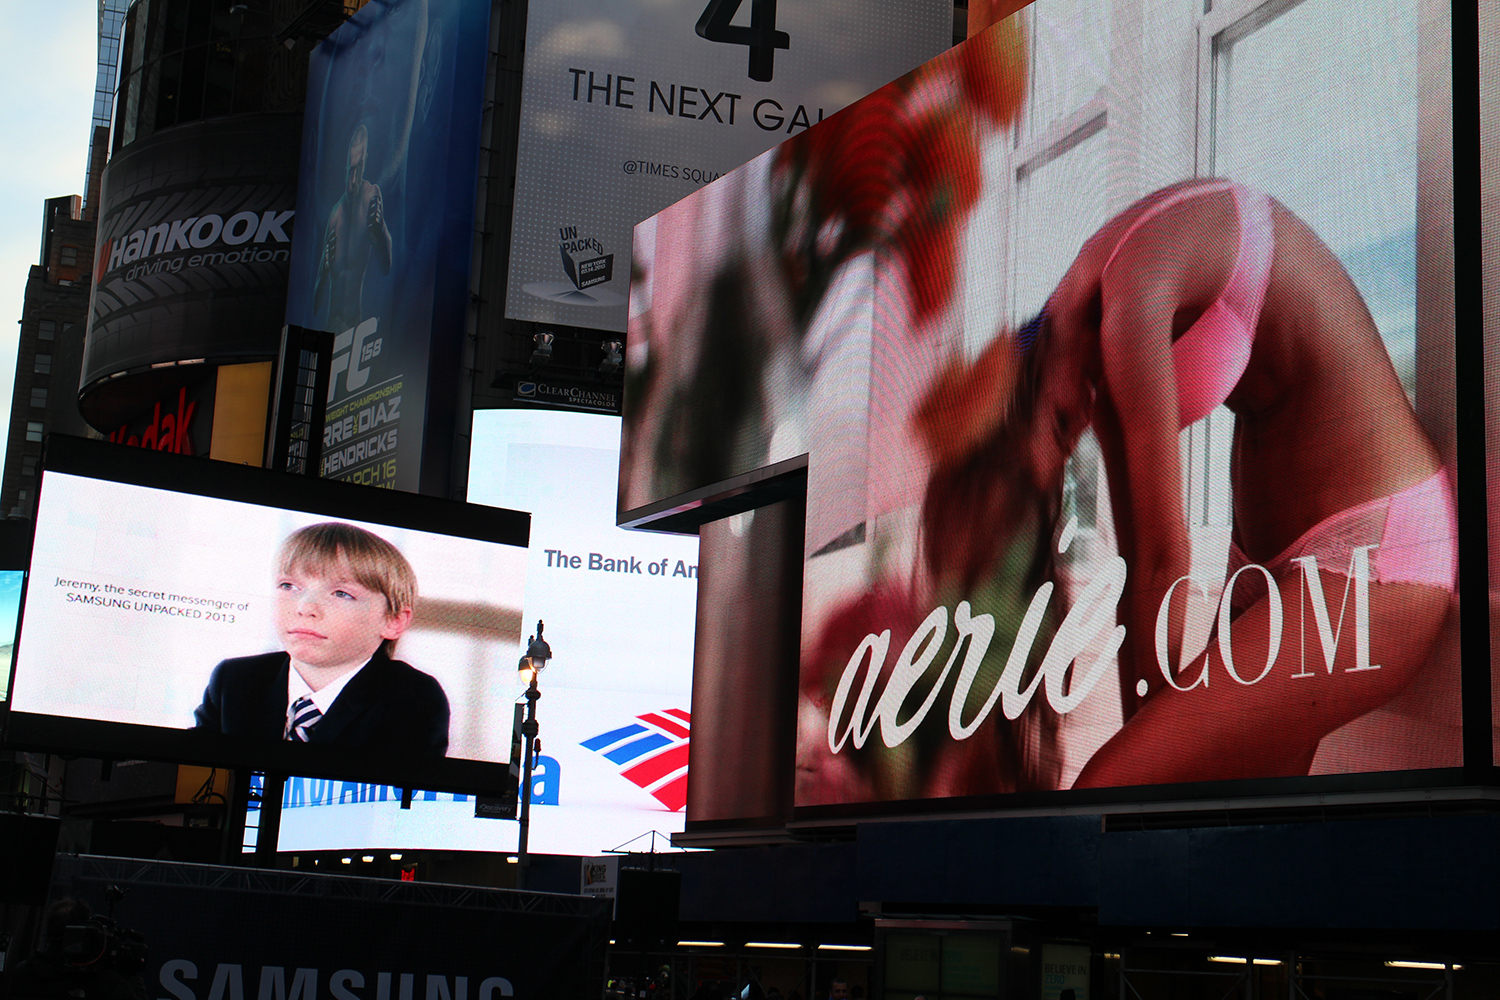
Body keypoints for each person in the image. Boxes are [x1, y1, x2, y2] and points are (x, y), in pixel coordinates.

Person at [921, 178, 1455, 788]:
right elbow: (1135, 573)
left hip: (1372, 553)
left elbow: (1163, 560)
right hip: (1267, 573)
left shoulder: (1132, 283)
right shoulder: (1091, 351)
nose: (1073, 449)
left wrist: (1148, 761)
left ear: (1010, 418)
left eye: (1060, 431)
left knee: (1107, 788)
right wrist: (1151, 736)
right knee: (1231, 841)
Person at [193, 522, 449, 754]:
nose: (305, 607)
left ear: (393, 621)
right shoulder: (235, 679)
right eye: (289, 586)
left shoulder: (414, 699)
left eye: (340, 593)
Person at [313, 124, 394, 333]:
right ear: (345, 169)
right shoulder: (335, 215)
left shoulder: (370, 195)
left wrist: (380, 230)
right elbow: (316, 303)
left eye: (359, 169)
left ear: (365, 164)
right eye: (351, 171)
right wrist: (323, 272)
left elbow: (386, 267)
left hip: (353, 327)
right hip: (330, 329)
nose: (354, 180)